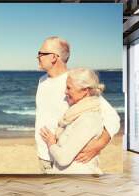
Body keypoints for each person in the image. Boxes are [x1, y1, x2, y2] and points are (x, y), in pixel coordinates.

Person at [35, 36, 120, 173]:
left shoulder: (74, 81)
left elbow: (113, 118)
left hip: (65, 161)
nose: (37, 57)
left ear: (54, 57)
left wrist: (99, 145)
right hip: (43, 156)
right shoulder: (42, 81)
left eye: (41, 53)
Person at [40, 68, 104, 174]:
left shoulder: (88, 119)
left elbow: (63, 159)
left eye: (69, 88)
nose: (65, 91)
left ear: (85, 91)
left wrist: (50, 142)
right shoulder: (77, 112)